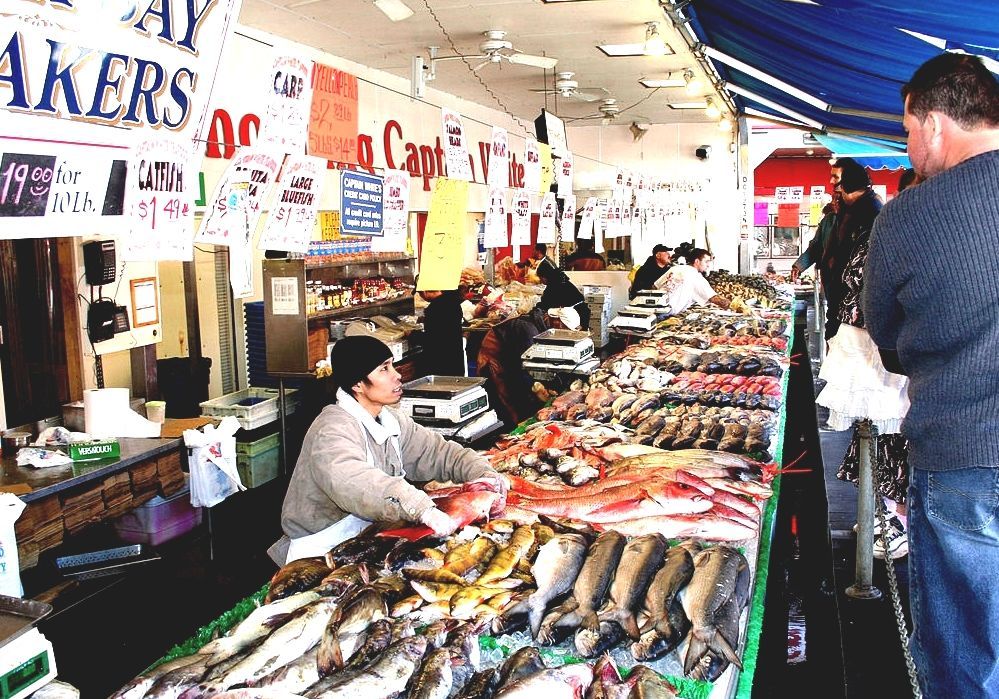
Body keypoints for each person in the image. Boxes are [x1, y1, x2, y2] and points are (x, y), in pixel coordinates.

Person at [863, 53, 999, 698]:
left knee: (963, 648)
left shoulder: (910, 216)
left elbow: (885, 340)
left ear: (937, 123)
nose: (911, 146)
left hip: (963, 456)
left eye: (910, 130)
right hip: (965, 455)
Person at [268, 336, 504, 565]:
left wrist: (482, 472)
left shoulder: (390, 419)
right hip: (321, 553)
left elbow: (438, 453)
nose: (397, 375)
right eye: (384, 369)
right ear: (357, 384)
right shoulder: (332, 429)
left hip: (367, 539)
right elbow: (354, 481)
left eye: (392, 365)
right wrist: (418, 506)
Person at [815, 168, 909, 560]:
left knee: (893, 434)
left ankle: (895, 518)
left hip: (882, 350)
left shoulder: (884, 221)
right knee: (881, 433)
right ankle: (884, 513)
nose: (834, 188)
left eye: (838, 182)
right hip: (873, 346)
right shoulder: (880, 224)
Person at [477, 305, 580, 425]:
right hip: (495, 359)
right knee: (509, 400)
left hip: (513, 357)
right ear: (557, 322)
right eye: (565, 329)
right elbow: (522, 364)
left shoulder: (543, 326)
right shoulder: (527, 329)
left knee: (523, 393)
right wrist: (536, 387)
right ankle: (510, 430)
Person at [652, 248, 730, 313]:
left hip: (654, 309)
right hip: (668, 313)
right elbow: (714, 298)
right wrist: (732, 304)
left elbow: (655, 286)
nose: (708, 265)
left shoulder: (675, 268)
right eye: (706, 261)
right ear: (697, 261)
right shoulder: (695, 276)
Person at [790, 194, 840, 283]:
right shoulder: (827, 220)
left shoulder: (860, 218)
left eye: (838, 199)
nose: (833, 202)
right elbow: (816, 247)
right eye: (833, 199)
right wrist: (799, 266)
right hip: (828, 276)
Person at [417, 287, 466, 376]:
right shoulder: (453, 302)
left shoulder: (435, 308)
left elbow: (432, 340)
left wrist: (412, 334)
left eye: (420, 294)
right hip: (454, 361)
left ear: (424, 291)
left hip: (440, 364)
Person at [535, 258, 591, 329]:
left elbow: (547, 304)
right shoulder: (561, 281)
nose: (540, 280)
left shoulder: (554, 286)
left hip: (574, 319)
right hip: (581, 315)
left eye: (541, 277)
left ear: (546, 276)